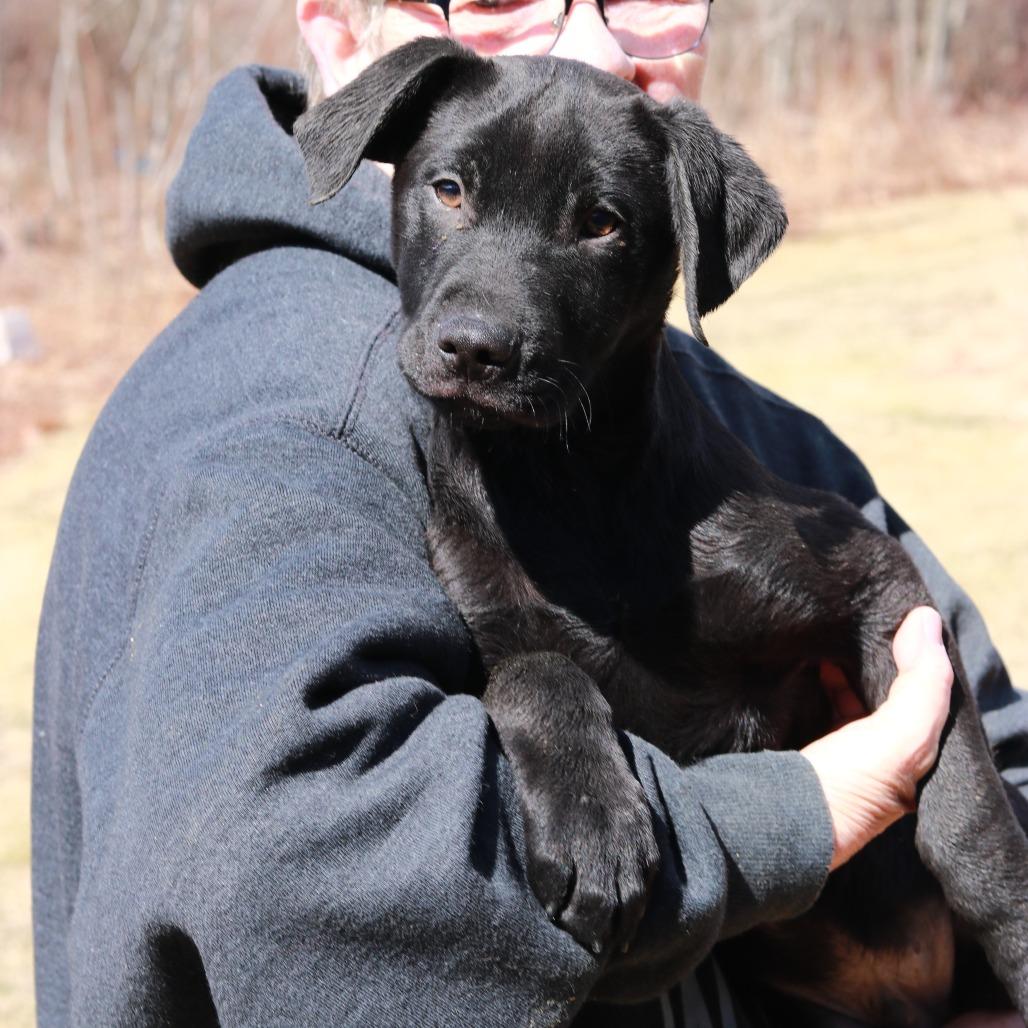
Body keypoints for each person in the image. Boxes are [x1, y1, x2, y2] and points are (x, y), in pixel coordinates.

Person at [30, 0, 1027, 1024]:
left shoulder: (715, 415)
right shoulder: (293, 403)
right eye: (508, 1)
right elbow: (297, 869)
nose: (589, 48)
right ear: (336, 28)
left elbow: (978, 710)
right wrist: (795, 813)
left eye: (642, 6)